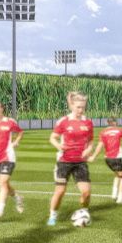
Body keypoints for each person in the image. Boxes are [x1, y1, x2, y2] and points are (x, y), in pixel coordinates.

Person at [47, 92, 95, 226]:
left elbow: (91, 141)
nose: (81, 110)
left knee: (86, 193)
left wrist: (88, 150)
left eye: (83, 107)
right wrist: (60, 146)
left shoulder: (88, 122)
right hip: (64, 162)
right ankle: (53, 215)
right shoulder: (63, 121)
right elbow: (52, 138)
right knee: (60, 191)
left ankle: (83, 212)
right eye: (78, 107)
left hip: (80, 162)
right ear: (72, 106)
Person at [88, 118, 122, 204]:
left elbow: (100, 145)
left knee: (117, 174)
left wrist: (93, 157)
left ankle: (114, 194)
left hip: (108, 158)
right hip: (118, 158)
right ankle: (120, 199)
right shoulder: (119, 130)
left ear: (107, 123)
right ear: (114, 123)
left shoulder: (103, 132)